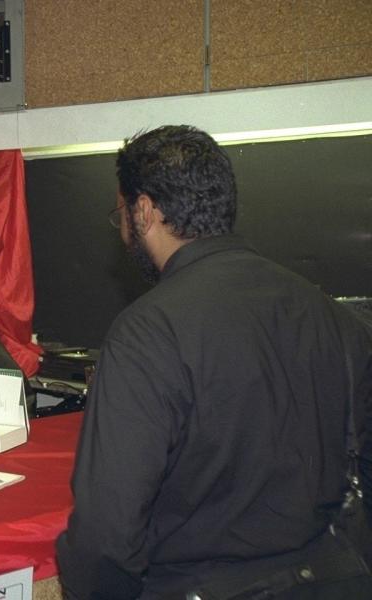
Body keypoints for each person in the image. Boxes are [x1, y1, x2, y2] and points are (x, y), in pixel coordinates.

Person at [55, 125, 372, 599]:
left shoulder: (147, 332)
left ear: (143, 210)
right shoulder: (333, 315)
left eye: (120, 213)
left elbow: (107, 532)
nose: (121, 230)